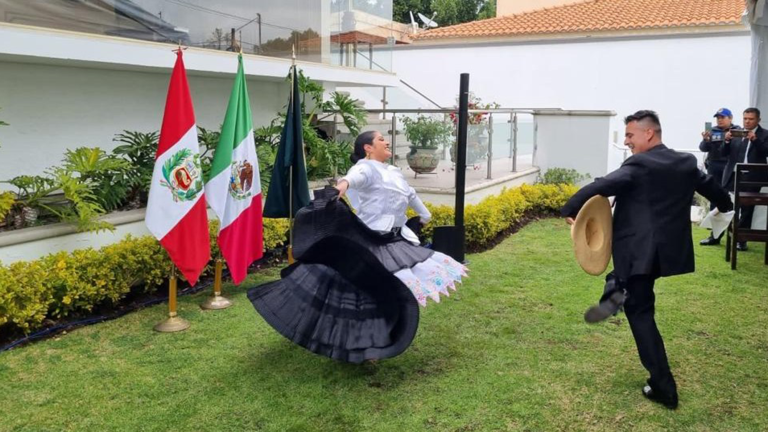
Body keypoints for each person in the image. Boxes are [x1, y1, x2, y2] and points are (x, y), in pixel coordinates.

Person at [561, 110, 732, 410]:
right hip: (662, 254)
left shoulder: (639, 164)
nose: (626, 141)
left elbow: (602, 184)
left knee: (641, 314)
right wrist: (726, 204)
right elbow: (713, 189)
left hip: (636, 250)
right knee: (630, 283)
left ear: (648, 133)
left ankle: (663, 386)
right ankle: (613, 293)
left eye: (629, 135)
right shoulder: (685, 162)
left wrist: (569, 208)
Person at [247, 131, 466, 364]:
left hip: (394, 239)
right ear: (368, 148)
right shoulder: (366, 168)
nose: (387, 141)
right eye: (381, 139)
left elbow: (410, 194)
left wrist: (424, 216)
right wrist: (339, 189)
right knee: (361, 293)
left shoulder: (394, 172)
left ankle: (380, 336)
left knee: (389, 288)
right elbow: (352, 178)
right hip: (368, 240)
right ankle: (361, 343)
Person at [721, 107, 768, 251]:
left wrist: (755, 140)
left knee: (747, 208)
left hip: (753, 177)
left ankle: (741, 239)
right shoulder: (736, 133)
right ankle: (718, 235)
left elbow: (766, 151)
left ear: (758, 120)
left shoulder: (765, 134)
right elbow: (724, 153)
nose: (747, 122)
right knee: (727, 205)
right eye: (745, 119)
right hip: (734, 175)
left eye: (751, 119)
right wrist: (727, 141)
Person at [699, 108, 739, 246]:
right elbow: (703, 148)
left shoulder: (737, 131)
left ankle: (738, 237)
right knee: (715, 200)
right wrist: (706, 139)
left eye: (723, 117)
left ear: (731, 118)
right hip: (714, 168)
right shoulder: (713, 131)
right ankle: (715, 236)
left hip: (731, 168)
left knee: (735, 202)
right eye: (718, 117)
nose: (720, 120)